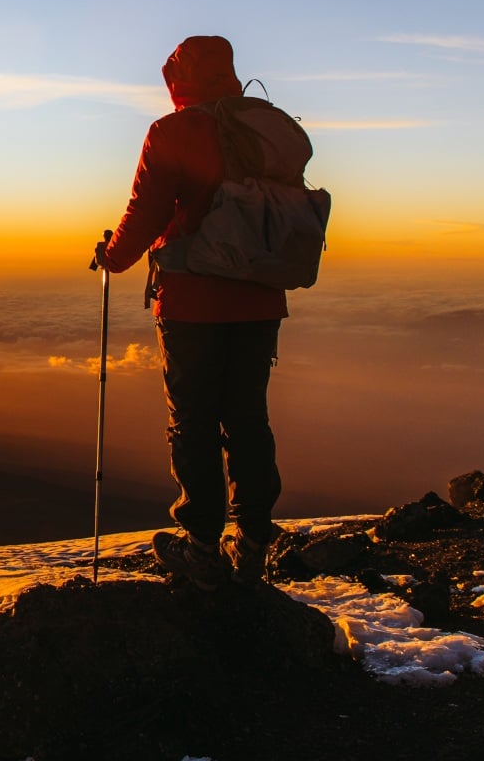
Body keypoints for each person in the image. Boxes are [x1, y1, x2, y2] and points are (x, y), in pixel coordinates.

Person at [92, 35, 285, 588]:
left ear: (179, 78)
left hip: (193, 300)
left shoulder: (173, 131)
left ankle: (202, 543)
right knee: (248, 417)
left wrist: (114, 256)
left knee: (194, 420)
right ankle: (253, 540)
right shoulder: (261, 126)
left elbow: (147, 207)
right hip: (260, 296)